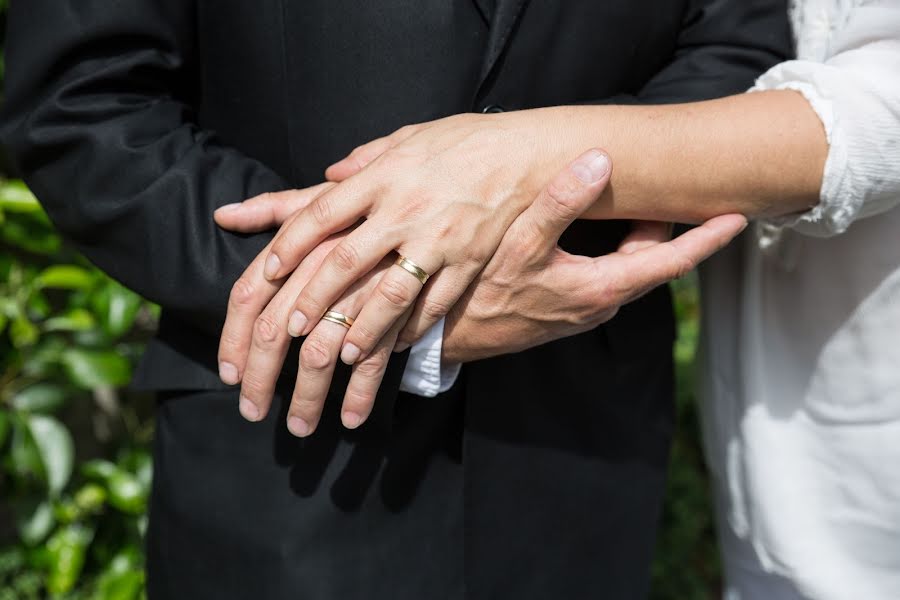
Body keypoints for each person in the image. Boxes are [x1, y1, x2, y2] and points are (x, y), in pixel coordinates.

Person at [0, 1, 790, 598]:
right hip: (286, 455)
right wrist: (392, 293)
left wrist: (535, 182)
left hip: (579, 447)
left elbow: (737, 45)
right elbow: (86, 105)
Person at [217, 1, 900, 598]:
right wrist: (354, 287)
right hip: (278, 460)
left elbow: (736, 50)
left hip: (592, 453)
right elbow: (114, 100)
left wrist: (523, 158)